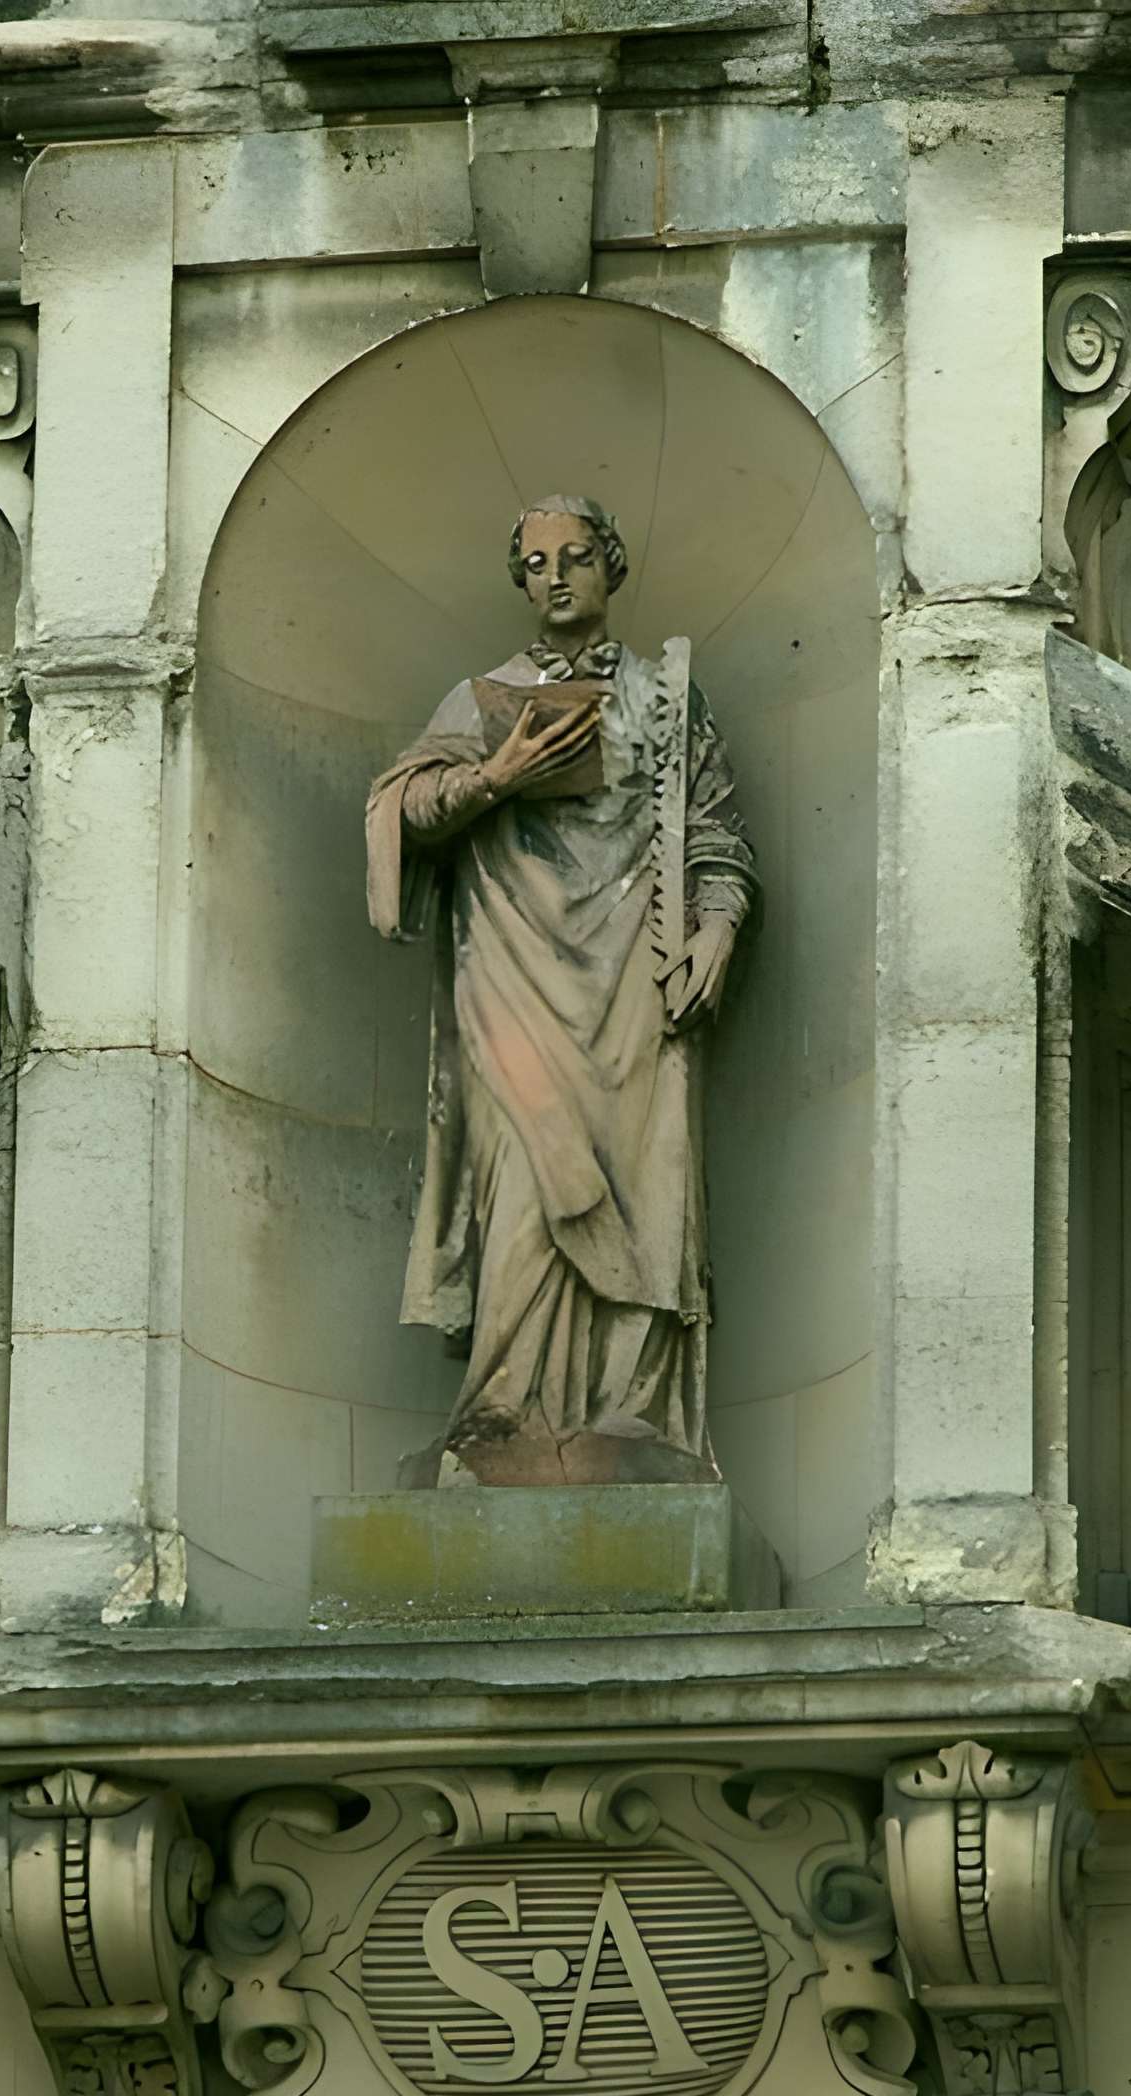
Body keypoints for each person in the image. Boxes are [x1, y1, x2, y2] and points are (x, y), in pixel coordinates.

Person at [365, 494, 756, 1486]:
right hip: (509, 969)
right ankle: (504, 1409)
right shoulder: (480, 699)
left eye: (575, 558)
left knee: (642, 1177)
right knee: (525, 1186)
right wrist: (495, 775)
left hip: (635, 966)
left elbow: (711, 828)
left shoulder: (667, 698)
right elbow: (398, 811)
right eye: (536, 564)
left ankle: (630, 1412)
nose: (555, 578)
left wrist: (718, 923)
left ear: (611, 566)